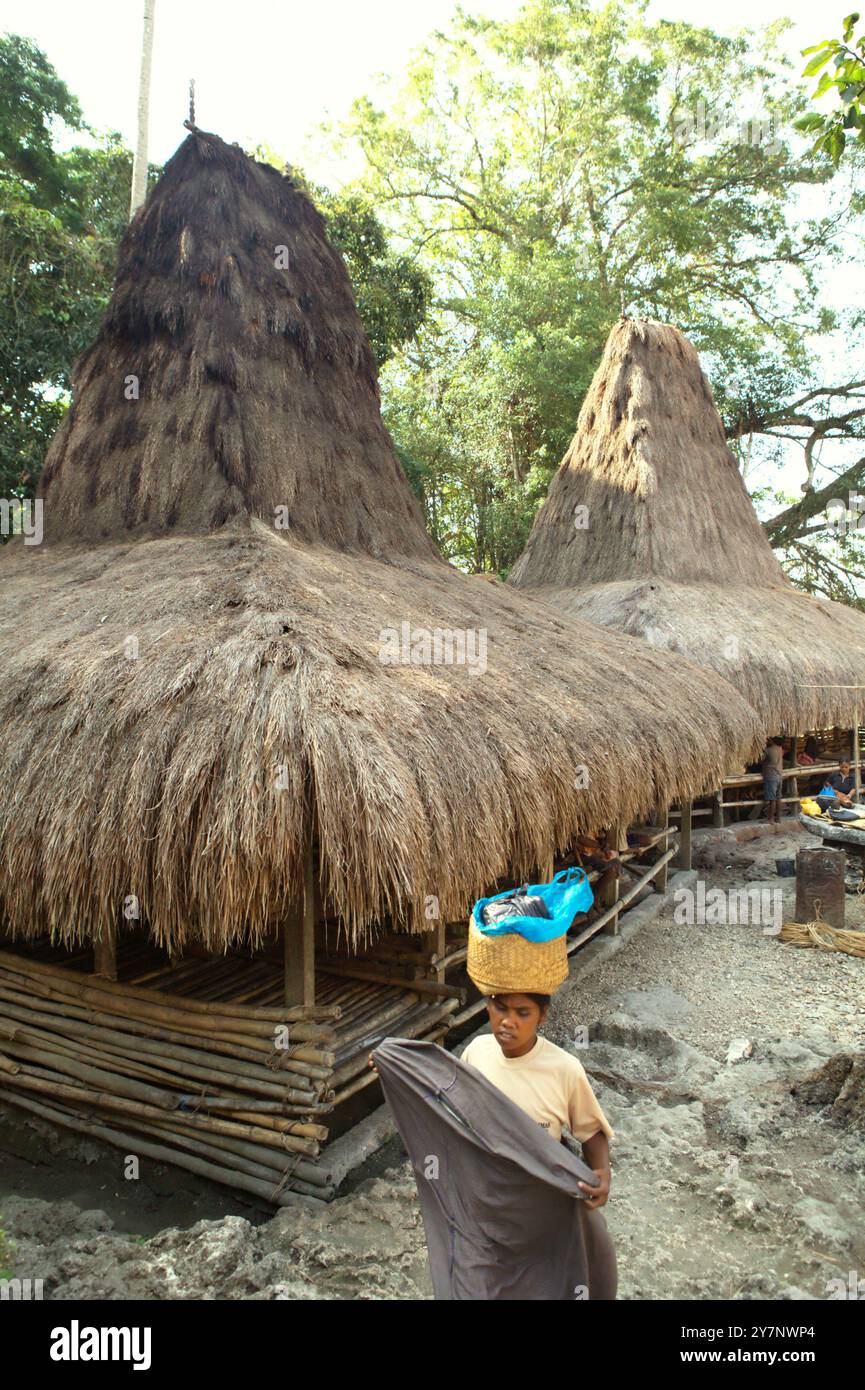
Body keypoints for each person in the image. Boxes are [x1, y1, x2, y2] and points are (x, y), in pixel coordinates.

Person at [761, 737, 784, 823]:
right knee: (778, 798)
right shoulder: (780, 749)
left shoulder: (768, 750)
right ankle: (778, 818)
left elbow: (760, 760)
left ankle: (770, 819)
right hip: (779, 776)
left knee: (772, 798)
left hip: (770, 776)